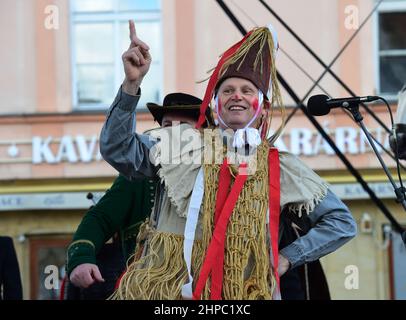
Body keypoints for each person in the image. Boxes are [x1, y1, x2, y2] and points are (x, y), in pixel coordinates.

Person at [99, 21, 357, 300]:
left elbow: (341, 222)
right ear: (215, 104)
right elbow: (117, 148)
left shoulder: (281, 166)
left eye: (247, 91)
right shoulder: (180, 144)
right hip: (171, 295)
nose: (237, 95)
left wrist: (287, 258)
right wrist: (131, 84)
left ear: (263, 109)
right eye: (227, 90)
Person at [66, 92, 214, 298]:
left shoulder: (219, 175)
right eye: (167, 125)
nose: (173, 133)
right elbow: (100, 217)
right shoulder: (141, 178)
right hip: (148, 290)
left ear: (204, 133)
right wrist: (82, 257)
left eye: (183, 127)